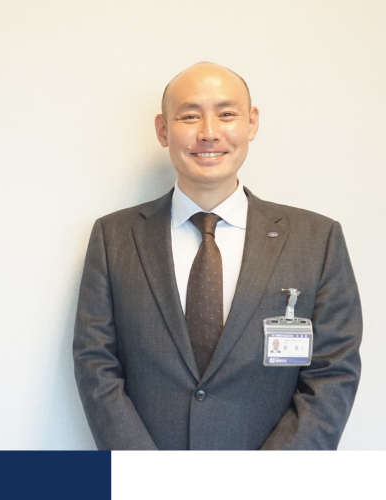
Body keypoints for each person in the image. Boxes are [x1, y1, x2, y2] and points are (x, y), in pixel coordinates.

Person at [72, 62, 362, 451]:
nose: (208, 132)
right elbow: (95, 364)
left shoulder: (317, 240)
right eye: (190, 116)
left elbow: (333, 373)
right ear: (163, 129)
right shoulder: (114, 237)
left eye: (226, 114)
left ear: (251, 122)